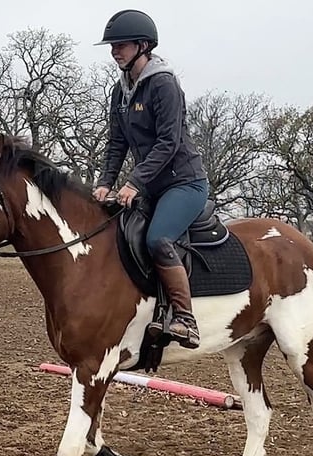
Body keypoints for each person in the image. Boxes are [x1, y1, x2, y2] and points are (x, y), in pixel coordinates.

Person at [92, 9, 209, 350]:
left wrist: (133, 183)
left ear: (143, 45)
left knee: (158, 239)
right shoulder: (121, 91)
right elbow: (117, 142)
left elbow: (168, 143)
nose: (115, 51)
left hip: (183, 183)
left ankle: (186, 319)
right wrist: (105, 181)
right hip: (152, 185)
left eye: (121, 45)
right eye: (112, 46)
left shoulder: (163, 84)